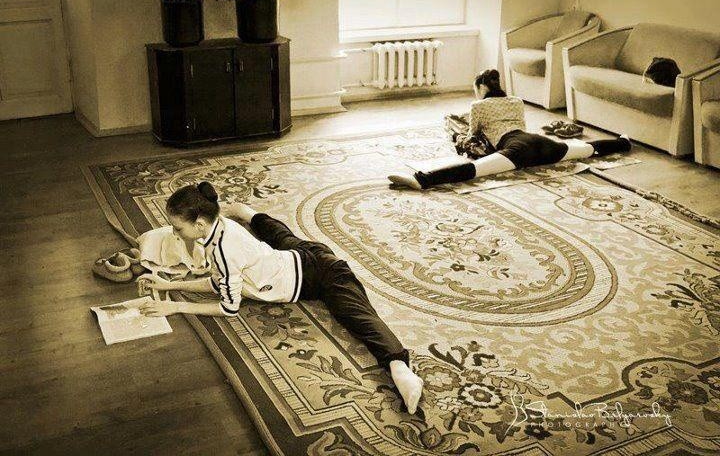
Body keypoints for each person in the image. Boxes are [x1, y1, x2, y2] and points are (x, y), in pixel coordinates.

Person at [138, 182, 424, 414]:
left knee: (360, 318)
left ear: (201, 224)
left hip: (323, 275)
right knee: (280, 236)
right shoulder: (220, 227)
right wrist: (169, 283)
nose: (174, 233)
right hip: (297, 255)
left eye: (178, 228)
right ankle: (249, 213)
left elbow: (228, 307)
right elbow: (218, 282)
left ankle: (399, 366)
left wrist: (174, 306)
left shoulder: (223, 251)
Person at [388, 69, 631, 189]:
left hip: (516, 149)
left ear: (481, 87)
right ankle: (624, 142)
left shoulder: (478, 106)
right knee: (587, 148)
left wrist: (460, 137)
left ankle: (421, 180)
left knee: (475, 170)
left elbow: (473, 135)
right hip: (542, 143)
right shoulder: (516, 101)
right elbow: (521, 126)